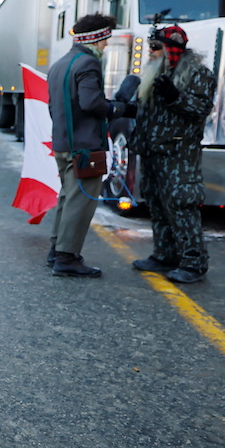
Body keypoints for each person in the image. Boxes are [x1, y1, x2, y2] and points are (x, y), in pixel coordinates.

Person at [123, 25, 215, 283]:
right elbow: (148, 110)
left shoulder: (198, 74)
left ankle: (194, 262)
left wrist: (175, 97)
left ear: (169, 49)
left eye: (154, 47)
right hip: (153, 150)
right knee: (156, 201)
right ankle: (165, 255)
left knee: (181, 205)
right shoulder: (155, 72)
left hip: (179, 153)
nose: (149, 52)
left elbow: (200, 108)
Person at [46, 14, 133, 277]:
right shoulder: (88, 63)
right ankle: (67, 258)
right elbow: (91, 103)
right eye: (105, 40)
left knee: (67, 198)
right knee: (80, 202)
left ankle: (56, 250)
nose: (106, 46)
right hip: (83, 147)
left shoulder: (60, 64)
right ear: (96, 38)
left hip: (63, 143)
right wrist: (117, 108)